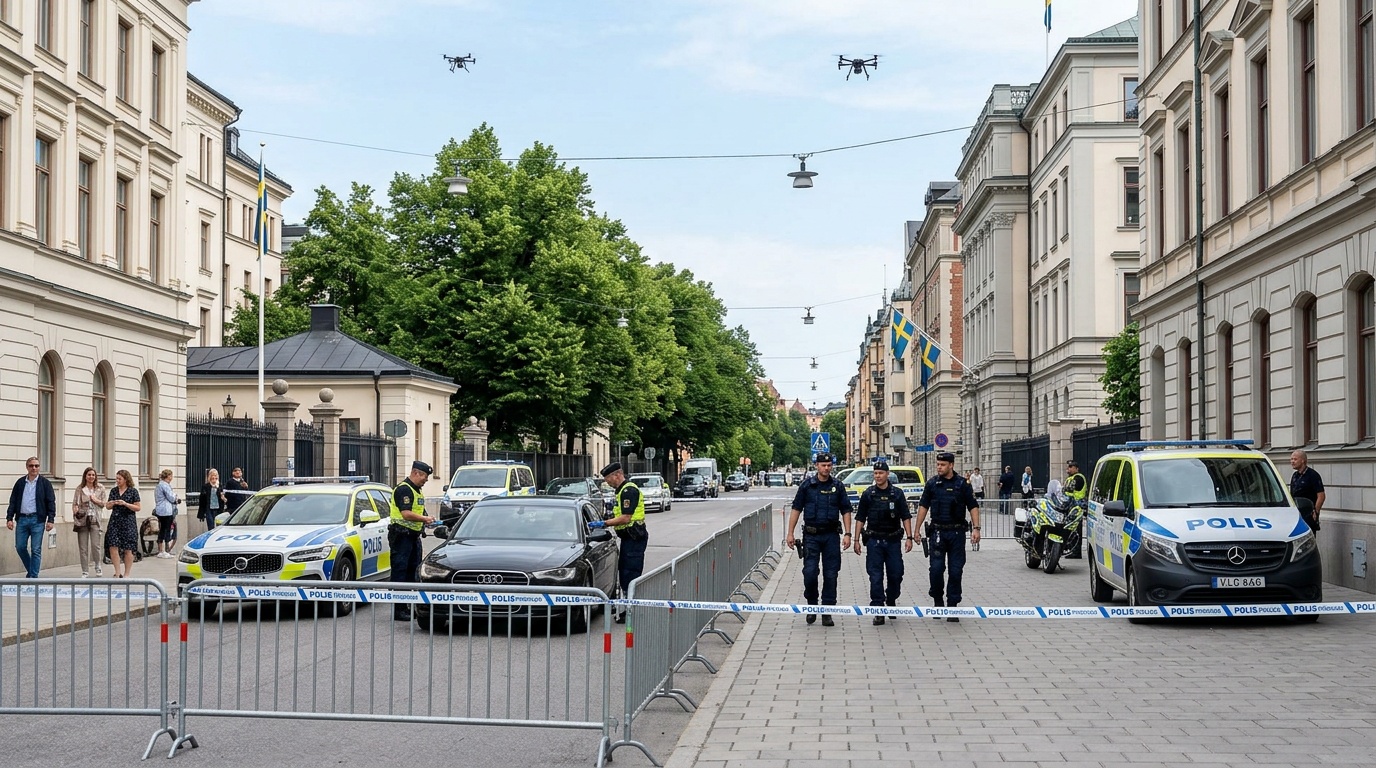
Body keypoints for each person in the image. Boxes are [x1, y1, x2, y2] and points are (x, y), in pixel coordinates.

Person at [784, 452, 853, 626]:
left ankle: (827, 610)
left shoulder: (838, 486)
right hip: (811, 536)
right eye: (823, 465)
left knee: (831, 574)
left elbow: (846, 510)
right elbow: (796, 509)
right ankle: (812, 605)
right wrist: (790, 533)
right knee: (810, 573)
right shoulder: (807, 486)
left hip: (831, 536)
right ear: (817, 466)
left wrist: (848, 533)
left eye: (829, 465)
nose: (827, 468)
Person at [914, 452, 980, 622]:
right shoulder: (932, 484)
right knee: (936, 570)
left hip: (957, 533)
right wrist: (916, 529)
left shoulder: (963, 484)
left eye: (942, 465)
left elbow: (973, 506)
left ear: (951, 465)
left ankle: (952, 606)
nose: (939, 467)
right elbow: (923, 506)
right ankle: (938, 601)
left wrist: (976, 529)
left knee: (956, 571)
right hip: (937, 533)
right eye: (938, 464)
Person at [852, 461, 913, 625]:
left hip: (893, 541)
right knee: (875, 576)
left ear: (887, 474)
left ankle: (891, 600)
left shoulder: (897, 494)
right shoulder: (868, 494)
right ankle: (878, 609)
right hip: (874, 541)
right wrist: (856, 540)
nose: (878, 476)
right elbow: (860, 518)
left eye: (880, 473)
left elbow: (905, 516)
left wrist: (909, 537)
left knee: (896, 574)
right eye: (875, 473)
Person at [591, 462, 648, 624]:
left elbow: (626, 518)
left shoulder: (628, 491)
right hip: (629, 537)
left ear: (617, 475)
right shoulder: (621, 491)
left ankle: (630, 610)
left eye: (608, 479)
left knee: (630, 574)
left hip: (634, 538)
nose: (607, 482)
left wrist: (605, 523)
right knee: (625, 573)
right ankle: (625, 607)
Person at [388, 460, 436, 621]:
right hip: (401, 536)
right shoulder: (404, 489)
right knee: (400, 572)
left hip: (413, 536)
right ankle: (399, 609)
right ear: (416, 473)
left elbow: (419, 509)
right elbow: (406, 513)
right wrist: (424, 518)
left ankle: (408, 606)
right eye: (424, 477)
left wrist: (427, 518)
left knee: (412, 571)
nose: (426, 480)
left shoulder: (416, 490)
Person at [6, 457, 58, 578]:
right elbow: (13, 501)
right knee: (20, 547)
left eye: (36, 466)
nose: (34, 468)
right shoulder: (20, 483)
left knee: (36, 549)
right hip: (22, 519)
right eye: (31, 466)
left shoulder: (45, 483)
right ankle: (31, 569)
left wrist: (50, 520)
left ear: (39, 467)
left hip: (37, 520)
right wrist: (9, 518)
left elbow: (51, 502)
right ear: (27, 467)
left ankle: (33, 577)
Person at [103, 469, 141, 578]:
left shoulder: (133, 491)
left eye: (120, 479)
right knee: (113, 545)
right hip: (115, 521)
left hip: (128, 521)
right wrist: (112, 503)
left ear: (126, 479)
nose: (117, 481)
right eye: (117, 478)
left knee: (128, 548)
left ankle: (127, 573)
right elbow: (107, 506)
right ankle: (117, 572)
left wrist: (125, 504)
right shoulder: (114, 491)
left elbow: (138, 507)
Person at [72, 467, 106, 577]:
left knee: (96, 545)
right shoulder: (80, 488)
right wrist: (75, 510)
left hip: (95, 519)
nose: (91, 477)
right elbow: (74, 503)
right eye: (89, 475)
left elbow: (104, 503)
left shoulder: (100, 488)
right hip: (82, 519)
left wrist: (96, 500)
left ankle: (98, 566)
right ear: (85, 476)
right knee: (83, 547)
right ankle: (85, 570)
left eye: (93, 475)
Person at [1289, 450, 1325, 532]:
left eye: (1295, 459)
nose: (1292, 462)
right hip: (1297, 513)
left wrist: (1316, 511)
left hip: (1308, 514)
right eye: (1291, 459)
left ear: (1303, 461)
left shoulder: (1313, 475)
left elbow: (1321, 496)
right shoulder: (1295, 476)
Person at [1061, 461, 1088, 559]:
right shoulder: (1070, 478)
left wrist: (1064, 489)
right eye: (1068, 467)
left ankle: (1076, 552)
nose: (1068, 469)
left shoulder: (1079, 478)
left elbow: (1069, 488)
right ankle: (1071, 549)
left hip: (1077, 507)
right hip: (1071, 507)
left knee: (1076, 530)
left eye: (1071, 467)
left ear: (1076, 468)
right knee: (1071, 529)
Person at [154, 469, 181, 558]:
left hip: (160, 510)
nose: (172, 477)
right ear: (168, 476)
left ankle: (161, 550)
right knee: (167, 529)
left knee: (162, 529)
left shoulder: (159, 485)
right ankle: (165, 550)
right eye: (171, 475)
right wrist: (176, 498)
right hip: (166, 510)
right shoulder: (165, 485)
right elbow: (171, 497)